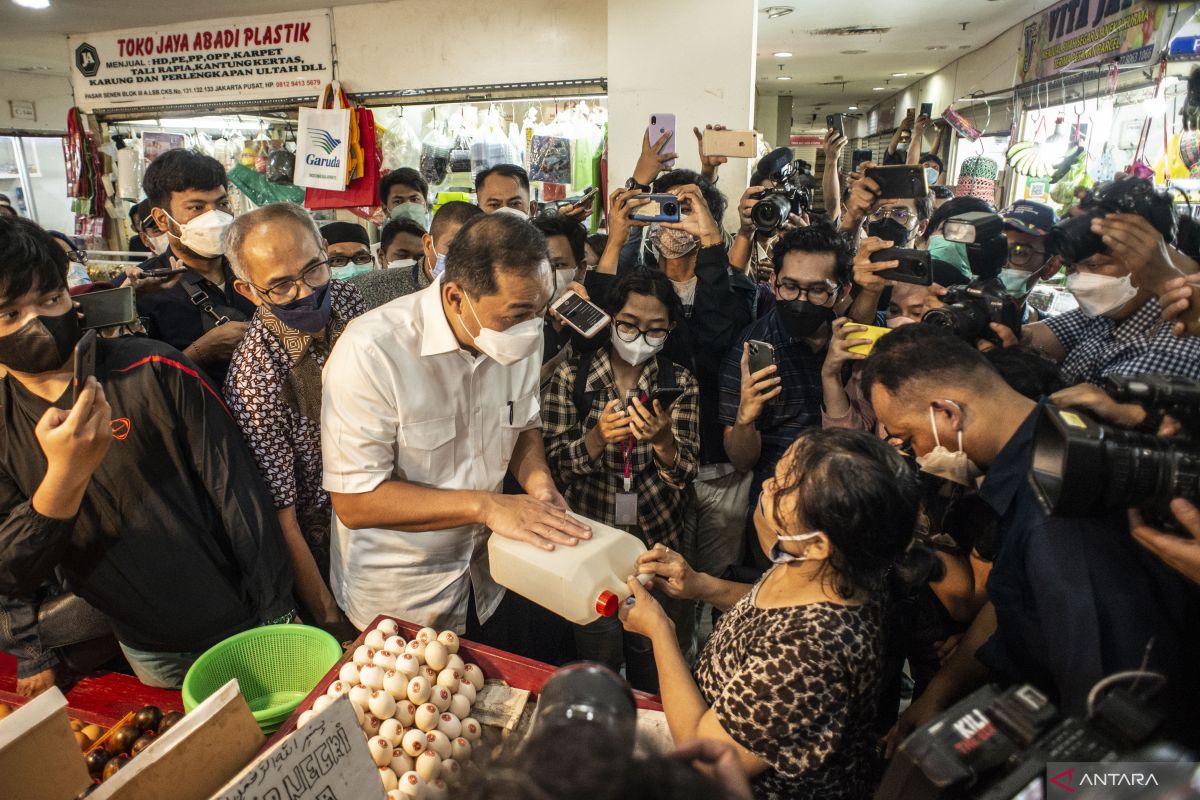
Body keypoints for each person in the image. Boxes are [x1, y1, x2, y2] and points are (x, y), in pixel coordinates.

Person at [863, 325, 1200, 744]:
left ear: (948, 412)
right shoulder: (1056, 440)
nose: (914, 455)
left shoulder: (1058, 517)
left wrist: (1067, 782)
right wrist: (940, 693)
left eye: (908, 437)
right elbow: (1013, 601)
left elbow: (1111, 710)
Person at [0, 216, 295, 688]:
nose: (35, 323)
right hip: (147, 645)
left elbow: (238, 494)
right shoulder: (6, 424)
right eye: (9, 314)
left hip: (240, 618)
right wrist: (64, 476)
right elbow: (11, 573)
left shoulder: (154, 368)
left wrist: (278, 610)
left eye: (50, 300)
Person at [321, 213, 590, 648]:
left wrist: (539, 486)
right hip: (402, 600)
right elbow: (356, 501)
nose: (532, 327)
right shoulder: (372, 351)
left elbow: (521, 423)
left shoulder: (523, 327)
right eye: (518, 314)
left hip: (490, 578)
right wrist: (486, 506)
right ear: (455, 296)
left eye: (540, 310)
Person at [622, 428, 919, 799]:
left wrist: (660, 631)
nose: (766, 486)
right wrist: (700, 585)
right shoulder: (828, 567)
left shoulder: (811, 655)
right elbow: (769, 609)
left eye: (781, 487)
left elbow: (705, 760)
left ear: (817, 545)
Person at [542, 269, 699, 690]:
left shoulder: (678, 383)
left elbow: (685, 475)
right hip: (588, 540)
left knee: (653, 651)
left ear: (669, 331)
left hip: (655, 544)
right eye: (628, 324)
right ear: (609, 319)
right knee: (597, 647)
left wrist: (665, 442)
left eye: (654, 329)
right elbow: (553, 469)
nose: (639, 337)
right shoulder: (571, 378)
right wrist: (594, 440)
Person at [601, 176, 757, 599]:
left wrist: (711, 243)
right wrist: (617, 238)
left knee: (715, 580)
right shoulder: (640, 287)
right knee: (664, 585)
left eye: (687, 208)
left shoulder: (733, 287)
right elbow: (600, 328)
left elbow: (718, 334)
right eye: (665, 208)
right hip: (656, 468)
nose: (674, 222)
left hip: (720, 464)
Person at [224, 203, 367, 643]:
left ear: (325, 252)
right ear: (248, 291)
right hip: (333, 550)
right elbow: (284, 522)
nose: (305, 293)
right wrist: (330, 617)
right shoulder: (256, 379)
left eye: (314, 270)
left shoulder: (349, 301)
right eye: (281, 285)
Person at [719, 223, 854, 526]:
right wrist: (746, 417)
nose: (801, 300)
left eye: (817, 290)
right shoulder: (752, 348)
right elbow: (740, 460)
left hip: (846, 502)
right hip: (777, 508)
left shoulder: (852, 342)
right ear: (773, 281)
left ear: (843, 291)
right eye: (790, 287)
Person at [1003, 181, 1200, 384]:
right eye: (1072, 268)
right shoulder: (1109, 314)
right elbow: (1031, 338)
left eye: (1095, 266)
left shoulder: (1174, 348)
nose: (1080, 280)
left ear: (1146, 257)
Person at [135, 148, 251, 387]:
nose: (216, 217)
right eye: (197, 207)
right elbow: (137, 387)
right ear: (162, 219)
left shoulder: (255, 270)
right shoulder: (144, 291)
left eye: (222, 203)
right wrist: (200, 353)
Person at [348, 217, 430, 311]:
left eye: (419, 257)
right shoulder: (363, 294)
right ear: (381, 256)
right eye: (402, 256)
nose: (412, 263)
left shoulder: (432, 293)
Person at [995, 200, 1061, 313]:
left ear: (1051, 267)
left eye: (1020, 252)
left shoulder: (1046, 329)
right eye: (995, 247)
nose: (1000, 261)